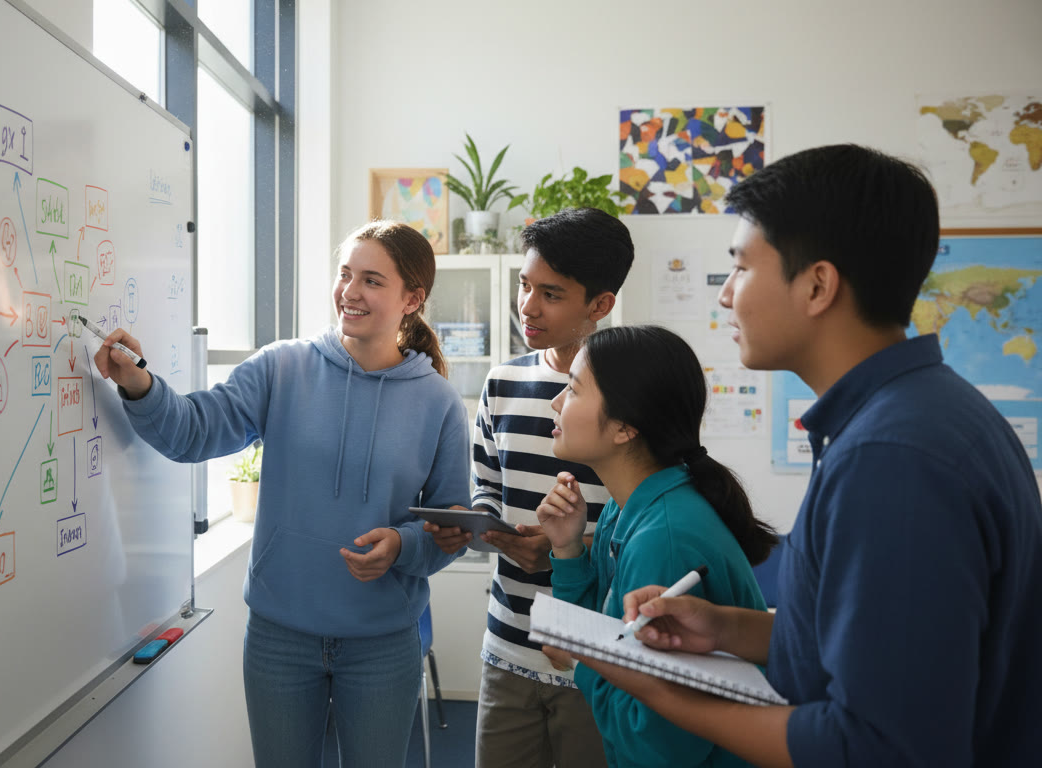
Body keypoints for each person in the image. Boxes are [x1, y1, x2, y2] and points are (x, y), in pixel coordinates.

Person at [572, 144, 1042, 767]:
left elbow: (879, 747)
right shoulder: (922, 412)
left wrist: (662, 692)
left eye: (741, 268)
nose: (726, 297)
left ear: (818, 285)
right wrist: (724, 628)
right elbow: (865, 646)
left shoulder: (892, 458)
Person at [92, 220, 471, 768]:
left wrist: (403, 544)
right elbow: (192, 432)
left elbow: (450, 526)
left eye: (372, 280)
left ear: (412, 298)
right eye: (345, 275)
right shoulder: (282, 366)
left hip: (382, 643)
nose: (350, 292)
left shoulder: (437, 402)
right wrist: (139, 384)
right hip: (279, 638)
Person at [426, 207, 633, 768]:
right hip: (507, 644)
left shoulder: (631, 395)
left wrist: (567, 547)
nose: (528, 306)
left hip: (593, 654)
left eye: (551, 293)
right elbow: (486, 487)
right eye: (524, 285)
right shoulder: (503, 381)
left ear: (600, 304)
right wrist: (486, 528)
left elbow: (640, 528)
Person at [536, 325, 777, 767]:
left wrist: (581, 661)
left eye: (572, 389)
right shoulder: (625, 507)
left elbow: (655, 745)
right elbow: (605, 632)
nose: (556, 403)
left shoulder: (664, 541)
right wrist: (569, 549)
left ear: (625, 427)